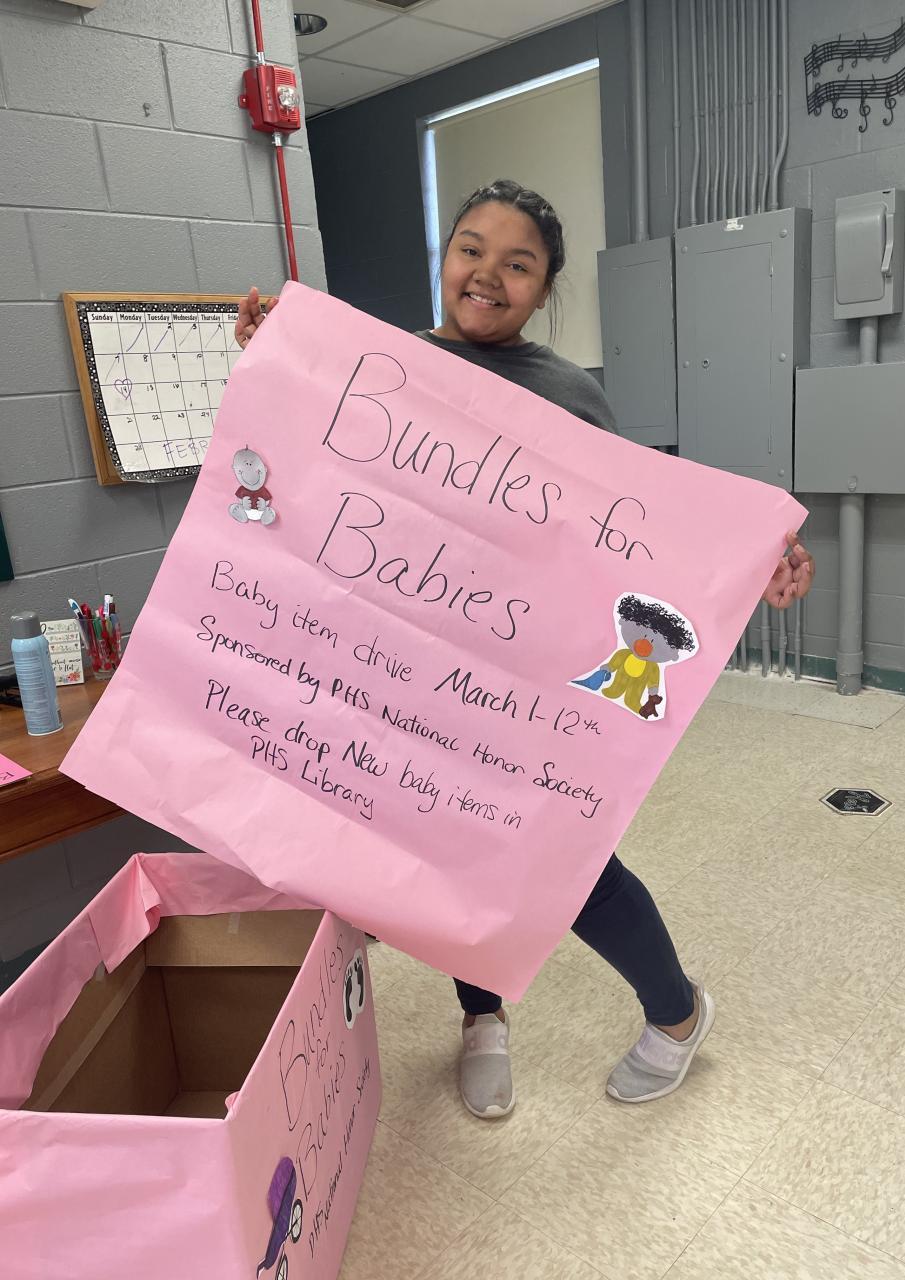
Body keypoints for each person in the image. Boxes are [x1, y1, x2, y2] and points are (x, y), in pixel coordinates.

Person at [235, 179, 815, 1120]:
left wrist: (755, 564)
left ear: (544, 289)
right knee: (451, 850)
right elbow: (306, 478)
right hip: (416, 672)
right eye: (471, 249)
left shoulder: (567, 395)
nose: (487, 275)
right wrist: (272, 363)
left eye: (518, 264)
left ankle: (677, 1014)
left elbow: (649, 535)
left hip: (529, 685)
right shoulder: (382, 367)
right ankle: (482, 1019)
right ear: (445, 256)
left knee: (567, 864)